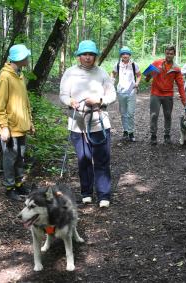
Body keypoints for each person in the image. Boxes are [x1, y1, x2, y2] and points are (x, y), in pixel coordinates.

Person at [59, 40, 116, 208]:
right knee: (83, 159)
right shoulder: (70, 73)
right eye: (84, 54)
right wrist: (70, 101)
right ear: (79, 56)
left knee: (102, 160)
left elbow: (112, 95)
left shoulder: (102, 73)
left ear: (95, 56)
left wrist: (99, 100)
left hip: (99, 123)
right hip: (77, 124)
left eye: (91, 54)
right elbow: (63, 94)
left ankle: (104, 194)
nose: (88, 57)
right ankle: (86, 192)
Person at [0, 44, 34, 201]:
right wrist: (3, 127)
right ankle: (10, 188)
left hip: (21, 126)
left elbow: (25, 101)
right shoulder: (5, 77)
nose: (28, 58)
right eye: (26, 56)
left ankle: (19, 185)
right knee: (10, 159)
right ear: (19, 58)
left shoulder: (20, 75)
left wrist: (30, 121)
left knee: (20, 158)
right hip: (10, 128)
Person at [145, 45, 186, 145]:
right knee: (154, 115)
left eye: (171, 54)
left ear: (174, 54)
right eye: (167, 53)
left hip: (168, 95)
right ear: (165, 53)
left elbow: (180, 85)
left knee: (168, 115)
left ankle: (167, 135)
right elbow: (147, 79)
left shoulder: (176, 68)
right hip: (155, 93)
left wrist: (184, 99)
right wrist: (148, 75)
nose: (169, 55)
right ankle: (153, 136)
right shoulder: (157, 63)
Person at [111, 46, 141, 142]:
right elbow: (113, 74)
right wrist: (111, 83)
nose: (125, 55)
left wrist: (137, 83)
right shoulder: (117, 65)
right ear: (121, 55)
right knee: (123, 113)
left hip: (131, 91)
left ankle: (131, 132)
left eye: (127, 54)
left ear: (129, 55)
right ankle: (125, 131)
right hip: (120, 92)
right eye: (123, 54)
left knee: (130, 113)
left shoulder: (134, 65)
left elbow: (139, 75)